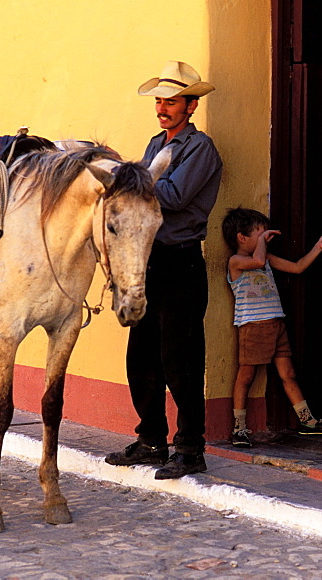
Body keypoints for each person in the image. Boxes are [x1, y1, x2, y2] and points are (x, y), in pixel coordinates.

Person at [104, 61, 222, 480]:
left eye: (170, 102)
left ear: (190, 106)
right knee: (142, 357)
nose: (162, 108)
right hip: (148, 261)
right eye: (159, 101)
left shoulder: (200, 148)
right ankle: (152, 440)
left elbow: (171, 195)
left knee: (181, 360)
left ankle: (190, 448)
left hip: (180, 260)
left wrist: (129, 180)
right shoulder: (157, 144)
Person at [222, 208, 322, 447]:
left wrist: (319, 246)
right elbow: (257, 260)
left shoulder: (266, 261)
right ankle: (239, 428)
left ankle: (308, 422)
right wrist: (262, 246)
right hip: (253, 327)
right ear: (241, 238)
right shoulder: (237, 261)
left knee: (289, 374)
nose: (267, 237)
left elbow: (297, 267)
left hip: (276, 324)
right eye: (261, 234)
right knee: (246, 377)